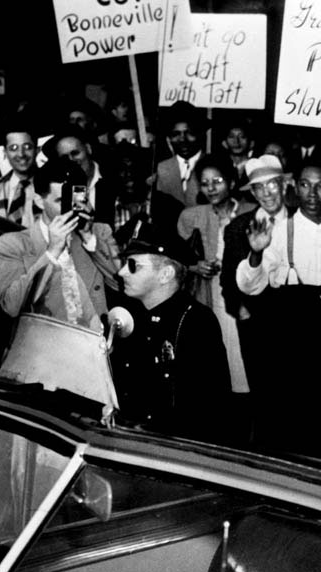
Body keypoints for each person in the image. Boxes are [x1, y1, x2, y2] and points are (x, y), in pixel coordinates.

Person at [236, 157, 321, 455]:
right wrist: (255, 254)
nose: (312, 194)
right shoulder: (278, 231)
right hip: (291, 329)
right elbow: (250, 284)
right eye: (305, 185)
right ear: (295, 188)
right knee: (289, 414)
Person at [113, 224, 229, 444]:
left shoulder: (195, 322)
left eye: (133, 265)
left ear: (166, 274)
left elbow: (208, 409)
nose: (121, 272)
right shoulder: (128, 315)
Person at [0, 158, 120, 331]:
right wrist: (51, 252)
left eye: (77, 200)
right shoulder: (11, 245)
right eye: (61, 201)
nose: (72, 209)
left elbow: (121, 285)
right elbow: (12, 306)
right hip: (45, 347)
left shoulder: (100, 232)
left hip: (94, 345)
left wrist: (89, 239)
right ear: (38, 201)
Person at [220, 154, 289, 440]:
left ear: (284, 185)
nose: (266, 193)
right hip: (257, 322)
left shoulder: (301, 219)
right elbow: (227, 280)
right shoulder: (239, 227)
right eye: (258, 188)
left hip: (297, 319)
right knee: (264, 397)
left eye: (272, 184)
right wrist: (240, 310)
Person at [177, 157, 255, 402]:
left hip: (242, 296)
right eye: (205, 183)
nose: (211, 188)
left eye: (218, 181)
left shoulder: (248, 212)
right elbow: (174, 260)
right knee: (214, 359)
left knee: (244, 361)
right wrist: (194, 266)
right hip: (207, 295)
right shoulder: (191, 216)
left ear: (231, 182)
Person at [0, 124, 40, 227]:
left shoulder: (52, 187)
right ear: (5, 153)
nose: (21, 154)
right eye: (13, 148)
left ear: (37, 150)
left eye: (27, 147)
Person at [154, 104, 205, 208]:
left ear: (200, 134)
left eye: (189, 133)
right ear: (169, 138)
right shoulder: (162, 168)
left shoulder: (211, 164)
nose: (182, 139)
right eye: (175, 134)